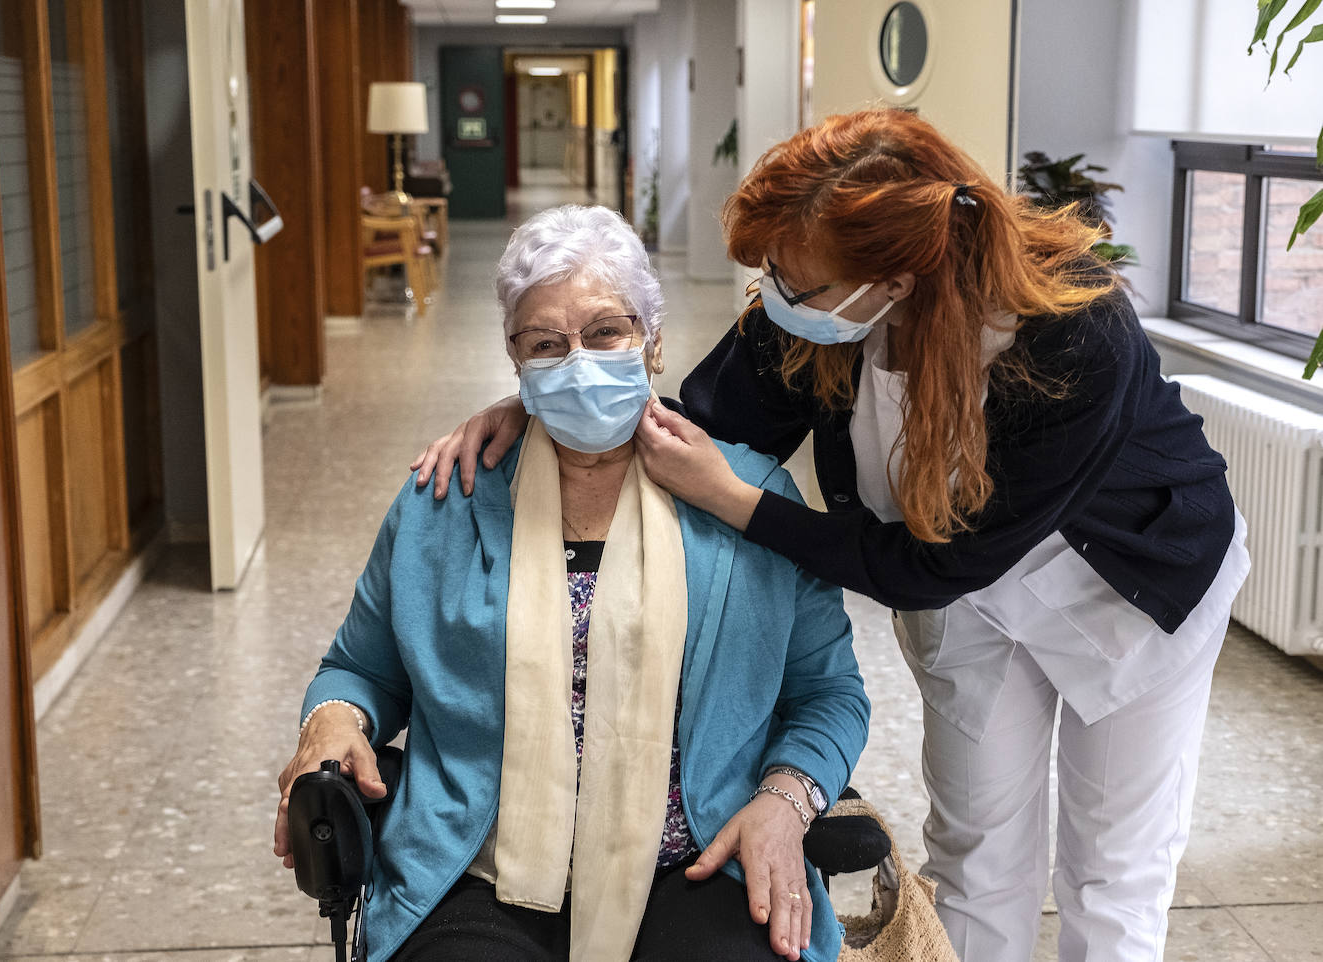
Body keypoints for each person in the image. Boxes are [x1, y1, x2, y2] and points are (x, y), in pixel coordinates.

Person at [409, 110, 1251, 962]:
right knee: (978, 850)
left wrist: (743, 504)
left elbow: (930, 567)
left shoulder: (1073, 329)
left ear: (896, 276)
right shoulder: (819, 311)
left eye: (793, 282)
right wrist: (544, 396)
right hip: (959, 589)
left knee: (1111, 872)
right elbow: (690, 425)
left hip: (1126, 586)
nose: (774, 295)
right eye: (772, 270)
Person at [274, 204, 870, 962]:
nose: (578, 362)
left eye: (606, 333)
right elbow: (359, 669)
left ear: (652, 343)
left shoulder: (744, 498)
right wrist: (331, 720)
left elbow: (829, 694)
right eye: (547, 345)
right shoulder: (445, 499)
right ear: (515, 359)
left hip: (697, 855)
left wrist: (785, 803)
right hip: (478, 863)